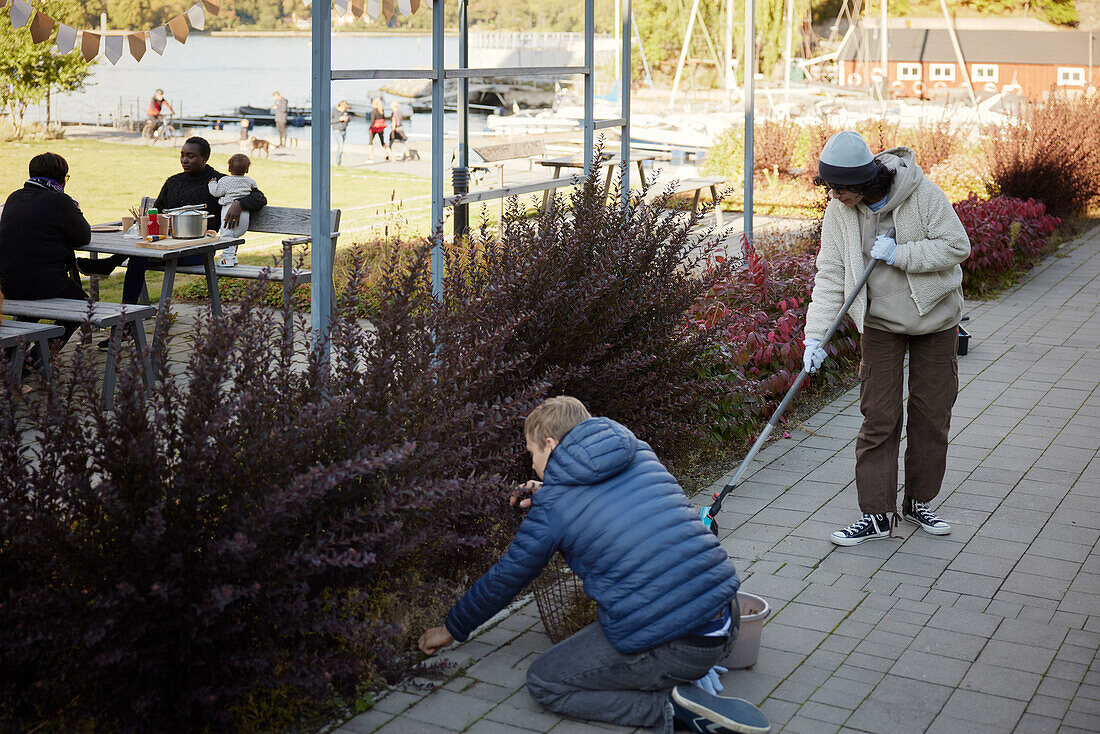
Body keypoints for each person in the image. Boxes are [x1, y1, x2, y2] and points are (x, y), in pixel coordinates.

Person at [418, 396, 771, 734]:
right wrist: (547, 494)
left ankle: (669, 709)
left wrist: (452, 628)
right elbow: (606, 499)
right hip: (727, 618)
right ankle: (686, 680)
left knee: (545, 681)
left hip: (681, 646)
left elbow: (507, 577)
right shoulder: (640, 454)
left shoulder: (555, 506)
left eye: (532, 453)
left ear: (551, 445)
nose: (532, 464)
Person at [804, 131, 970, 546]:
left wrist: (902, 254)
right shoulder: (839, 212)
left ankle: (919, 502)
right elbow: (830, 275)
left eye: (841, 189)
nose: (835, 196)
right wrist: (814, 338)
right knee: (878, 418)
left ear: (863, 183)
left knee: (931, 415)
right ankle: (877, 515)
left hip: (934, 318)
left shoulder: (922, 194)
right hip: (879, 324)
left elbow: (956, 245)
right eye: (831, 189)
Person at [77, 137, 267, 322]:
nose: (185, 160)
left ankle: (115, 286)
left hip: (199, 248)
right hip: (167, 244)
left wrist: (239, 203)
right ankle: (127, 322)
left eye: (191, 156)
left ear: (205, 158)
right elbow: (157, 212)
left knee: (138, 257)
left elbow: (259, 198)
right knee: (137, 256)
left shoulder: (220, 181)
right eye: (182, 155)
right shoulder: (173, 182)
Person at [0, 152, 91, 353]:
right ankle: (39, 358)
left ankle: (12, 358)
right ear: (60, 177)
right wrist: (75, 210)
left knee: (32, 306)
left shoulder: (14, 197)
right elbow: (84, 236)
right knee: (83, 305)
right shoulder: (60, 201)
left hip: (7, 283)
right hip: (44, 283)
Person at [207, 154, 257, 266]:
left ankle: (227, 259)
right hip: (244, 214)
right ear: (247, 169)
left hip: (229, 212)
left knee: (227, 235)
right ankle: (233, 258)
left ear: (229, 169)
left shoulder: (225, 181)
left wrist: (212, 183)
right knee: (233, 235)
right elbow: (255, 190)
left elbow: (216, 192)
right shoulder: (250, 181)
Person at [331, 100, 350, 166]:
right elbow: (330, 120)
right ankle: (338, 162)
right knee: (340, 146)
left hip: (344, 130)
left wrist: (347, 119)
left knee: (341, 146)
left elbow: (349, 119)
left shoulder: (345, 112)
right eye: (343, 109)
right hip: (336, 130)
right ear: (340, 106)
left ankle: (339, 162)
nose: (343, 111)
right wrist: (339, 119)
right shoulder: (333, 110)